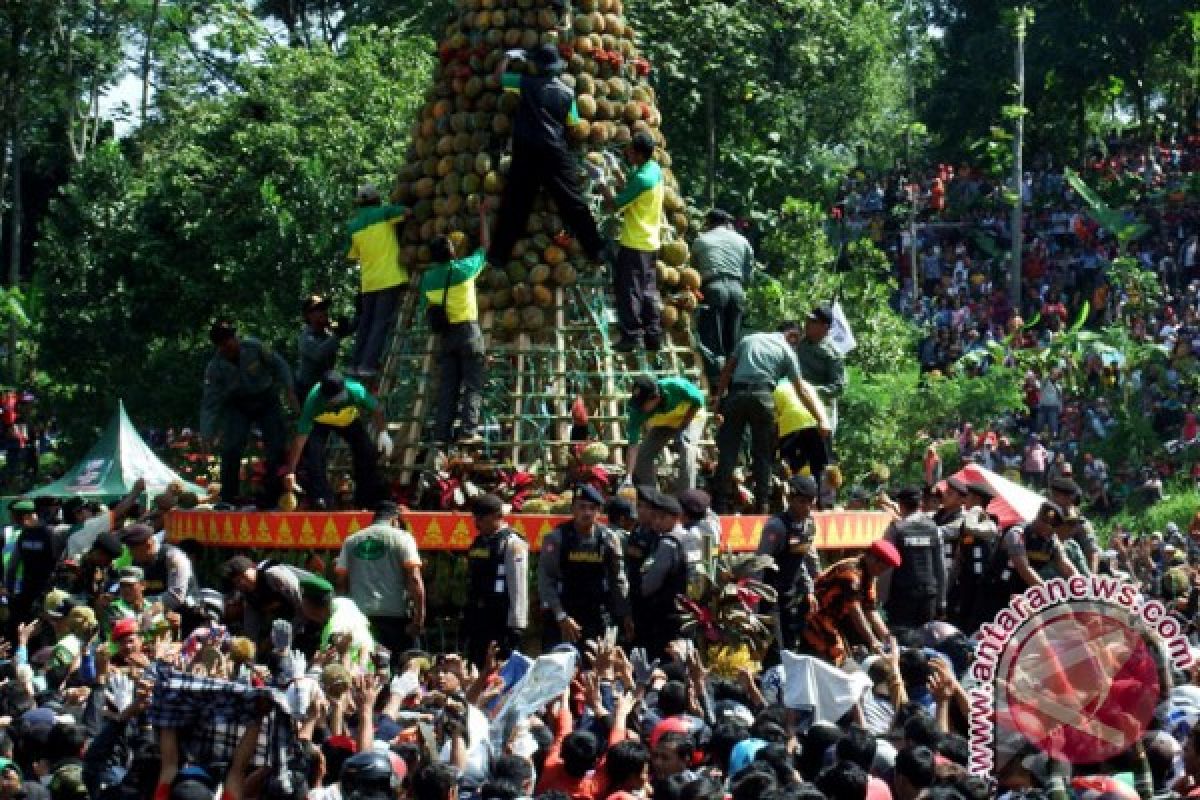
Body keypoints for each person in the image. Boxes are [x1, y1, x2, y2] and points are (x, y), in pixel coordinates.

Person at [488, 43, 607, 269]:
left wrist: (506, 57)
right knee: (572, 200)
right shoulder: (567, 93)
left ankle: (498, 256)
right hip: (553, 150)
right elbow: (572, 124)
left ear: (537, 66)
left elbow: (498, 78)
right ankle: (596, 249)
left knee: (515, 202)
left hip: (526, 149)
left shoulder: (525, 83)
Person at [711, 321, 830, 513]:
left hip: (736, 395)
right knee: (763, 455)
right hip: (763, 397)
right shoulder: (787, 350)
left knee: (728, 452)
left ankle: (720, 505)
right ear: (792, 336)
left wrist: (718, 398)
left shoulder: (748, 339)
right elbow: (802, 391)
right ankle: (762, 505)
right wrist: (820, 419)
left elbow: (727, 370)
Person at [199, 320, 297, 505]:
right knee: (231, 448)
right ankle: (229, 496)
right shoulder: (215, 368)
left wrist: (289, 391)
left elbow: (280, 365)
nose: (228, 345)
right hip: (239, 405)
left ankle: (274, 493)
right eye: (222, 343)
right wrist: (206, 435)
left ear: (235, 337)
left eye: (230, 339)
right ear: (218, 346)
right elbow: (209, 403)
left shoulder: (255, 347)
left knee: (276, 445)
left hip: (267, 399)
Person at [420, 201, 490, 446]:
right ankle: (468, 431)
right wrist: (482, 216)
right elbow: (485, 248)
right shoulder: (463, 269)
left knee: (448, 388)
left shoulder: (427, 279)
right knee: (473, 383)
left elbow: (426, 306)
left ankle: (441, 434)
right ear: (451, 252)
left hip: (446, 336)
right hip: (468, 332)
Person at [281, 370, 391, 510]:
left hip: (348, 421)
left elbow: (377, 409)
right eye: (333, 399)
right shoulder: (313, 400)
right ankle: (322, 501)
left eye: (340, 397)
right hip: (320, 424)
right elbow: (300, 439)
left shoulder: (356, 390)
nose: (338, 401)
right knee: (314, 457)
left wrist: (383, 432)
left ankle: (366, 499)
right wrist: (290, 471)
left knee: (366, 451)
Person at [537, 485, 631, 646]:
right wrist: (560, 615)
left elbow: (618, 580)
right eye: (582, 507)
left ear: (599, 512)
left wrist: (625, 614)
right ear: (573, 509)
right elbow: (546, 579)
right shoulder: (557, 538)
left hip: (597, 614)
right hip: (565, 613)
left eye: (592, 508)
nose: (587, 513)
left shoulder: (608, 539)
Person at [601, 131, 666, 352]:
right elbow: (633, 188)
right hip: (651, 242)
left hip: (635, 242)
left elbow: (615, 205)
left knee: (629, 289)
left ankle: (631, 336)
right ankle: (653, 336)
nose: (627, 153)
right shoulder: (654, 171)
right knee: (648, 291)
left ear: (639, 154)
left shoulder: (642, 179)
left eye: (630, 150)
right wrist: (619, 173)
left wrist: (601, 184)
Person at [335, 501, 425, 655]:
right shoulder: (403, 538)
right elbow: (415, 579)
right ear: (394, 520)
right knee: (400, 666)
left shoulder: (351, 541)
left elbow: (341, 582)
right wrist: (418, 620)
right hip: (394, 619)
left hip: (360, 618)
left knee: (363, 668)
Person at [345, 183, 410, 379]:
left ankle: (354, 364)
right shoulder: (384, 213)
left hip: (369, 281)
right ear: (376, 199)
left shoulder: (353, 226)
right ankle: (368, 365)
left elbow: (352, 255)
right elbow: (407, 212)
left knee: (365, 323)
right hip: (388, 278)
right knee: (380, 323)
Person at [802, 539, 901, 667]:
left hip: (833, 619)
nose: (881, 572)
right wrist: (873, 641)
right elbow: (856, 612)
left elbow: (871, 609)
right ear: (872, 558)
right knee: (836, 656)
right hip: (815, 616)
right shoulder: (850, 574)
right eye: (881, 567)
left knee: (844, 656)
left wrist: (887, 637)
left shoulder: (869, 575)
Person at [462, 493, 528, 668]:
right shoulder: (479, 542)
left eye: (480, 518)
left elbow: (518, 586)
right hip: (478, 616)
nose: (476, 523)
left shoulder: (512, 543)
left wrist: (516, 625)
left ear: (496, 517)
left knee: (499, 671)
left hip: (501, 618)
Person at [757, 475, 821, 653]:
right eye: (802, 502)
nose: (807, 508)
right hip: (771, 598)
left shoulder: (807, 526)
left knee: (792, 647)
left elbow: (801, 560)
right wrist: (754, 603)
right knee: (774, 649)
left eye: (811, 503)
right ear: (791, 500)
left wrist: (809, 590)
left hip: (792, 597)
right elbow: (759, 564)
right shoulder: (776, 527)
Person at [692, 209, 755, 384]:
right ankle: (734, 381)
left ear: (709, 223)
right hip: (737, 290)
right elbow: (749, 275)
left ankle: (715, 383)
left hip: (713, 288)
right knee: (733, 344)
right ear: (728, 224)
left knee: (712, 342)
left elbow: (693, 274)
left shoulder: (701, 241)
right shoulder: (743, 241)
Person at [984, 501, 1077, 615]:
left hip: (1020, 596)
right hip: (995, 591)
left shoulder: (1052, 541)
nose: (1047, 528)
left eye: (1053, 526)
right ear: (1037, 518)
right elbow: (1024, 569)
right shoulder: (1017, 534)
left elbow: (1067, 567)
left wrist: (1082, 588)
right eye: (1044, 522)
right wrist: (1051, 595)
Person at [637, 489, 700, 658]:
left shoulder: (668, 543)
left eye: (662, 518)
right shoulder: (691, 537)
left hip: (665, 615)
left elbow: (649, 585)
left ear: (676, 517)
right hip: (689, 612)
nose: (656, 522)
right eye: (655, 517)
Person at [624, 375, 705, 493]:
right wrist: (628, 477)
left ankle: (686, 496)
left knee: (686, 447)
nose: (639, 407)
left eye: (642, 403)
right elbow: (633, 446)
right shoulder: (637, 411)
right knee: (643, 455)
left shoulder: (677, 386)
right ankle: (651, 495)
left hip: (691, 416)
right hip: (665, 422)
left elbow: (699, 400)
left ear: (655, 398)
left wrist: (683, 426)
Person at [881, 487, 945, 630]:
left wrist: (881, 600)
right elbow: (940, 568)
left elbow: (886, 568)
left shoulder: (896, 530)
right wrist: (941, 602)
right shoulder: (934, 529)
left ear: (901, 505)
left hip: (902, 596)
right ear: (920, 504)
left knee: (902, 641)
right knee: (925, 640)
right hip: (928, 596)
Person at [946, 481, 999, 632]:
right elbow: (959, 554)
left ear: (976, 500)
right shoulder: (967, 522)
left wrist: (975, 510)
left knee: (975, 621)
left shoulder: (990, 522)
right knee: (960, 618)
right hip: (965, 581)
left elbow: (971, 527)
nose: (964, 500)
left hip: (982, 583)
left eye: (968, 497)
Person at [219, 555, 305, 647]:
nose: (242, 583)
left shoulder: (274, 575)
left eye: (243, 576)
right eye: (237, 582)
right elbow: (251, 630)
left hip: (309, 616)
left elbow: (302, 607)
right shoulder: (249, 596)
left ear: (253, 568)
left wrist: (287, 637)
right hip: (287, 626)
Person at [4, 499, 59, 635]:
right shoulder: (28, 534)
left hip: (40, 592)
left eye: (18, 519)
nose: (17, 523)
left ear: (28, 516)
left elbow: (54, 563)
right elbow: (13, 564)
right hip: (33, 591)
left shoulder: (47, 534)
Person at [298, 574, 374, 668]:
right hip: (368, 667)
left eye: (304, 605)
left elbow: (333, 669)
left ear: (313, 609)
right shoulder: (345, 603)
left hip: (354, 673)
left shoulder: (333, 631)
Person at [773, 374, 832, 496]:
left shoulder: (775, 389)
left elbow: (774, 422)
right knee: (818, 467)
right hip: (816, 422)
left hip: (791, 426)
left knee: (791, 467)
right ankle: (819, 502)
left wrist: (775, 446)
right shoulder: (806, 384)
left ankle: (795, 498)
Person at [121, 523, 199, 614]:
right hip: (152, 616)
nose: (131, 554)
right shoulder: (138, 561)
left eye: (133, 549)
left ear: (148, 545)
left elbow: (176, 596)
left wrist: (143, 602)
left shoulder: (173, 558)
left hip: (185, 616)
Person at [62, 479, 145, 562]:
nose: (90, 510)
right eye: (87, 507)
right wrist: (136, 490)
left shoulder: (73, 532)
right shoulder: (87, 527)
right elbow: (117, 513)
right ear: (78, 513)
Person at [793, 306, 847, 431]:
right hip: (795, 406)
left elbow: (839, 387)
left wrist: (811, 391)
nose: (807, 324)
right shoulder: (800, 344)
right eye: (807, 320)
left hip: (820, 409)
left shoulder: (833, 353)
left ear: (825, 327)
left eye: (813, 322)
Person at [294, 293, 350, 398]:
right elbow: (318, 354)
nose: (324, 312)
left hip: (324, 389)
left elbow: (347, 330)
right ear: (308, 315)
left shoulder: (327, 332)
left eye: (324, 308)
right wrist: (338, 334)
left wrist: (360, 314)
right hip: (306, 392)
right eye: (319, 309)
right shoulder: (306, 337)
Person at [1050, 476, 1100, 573]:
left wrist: (1092, 578)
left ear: (1069, 499)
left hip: (1074, 572)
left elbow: (1092, 552)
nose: (1051, 499)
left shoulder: (1081, 524)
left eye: (1055, 495)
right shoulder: (1048, 517)